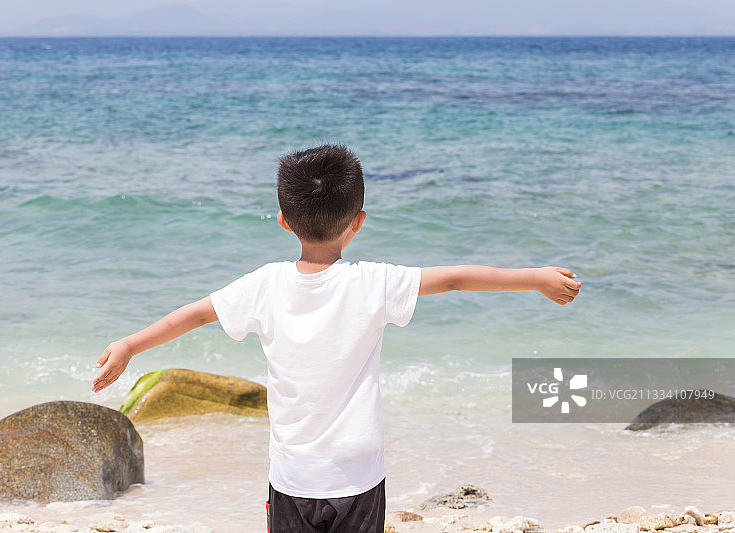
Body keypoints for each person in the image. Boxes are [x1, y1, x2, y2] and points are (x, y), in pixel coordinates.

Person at [92, 144, 581, 532]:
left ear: (284, 220)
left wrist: (131, 345)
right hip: (359, 475)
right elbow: (454, 278)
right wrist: (534, 278)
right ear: (357, 222)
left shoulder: (264, 285)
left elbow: (196, 315)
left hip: (293, 478)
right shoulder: (374, 283)